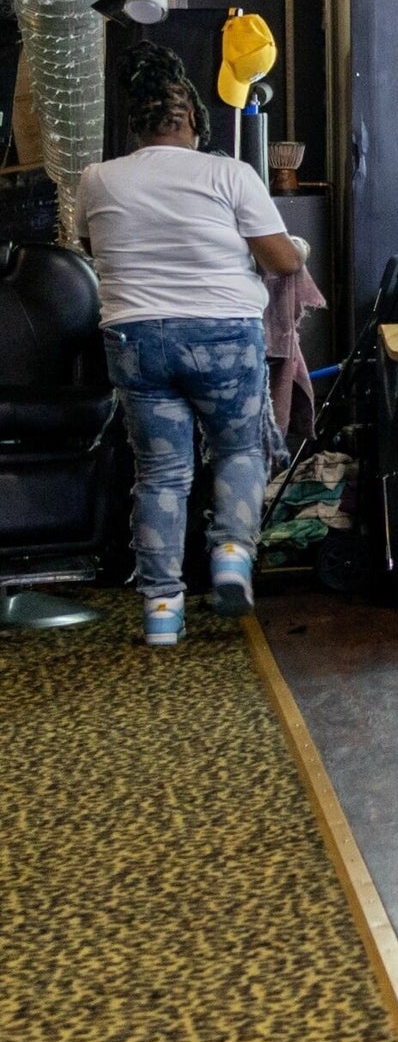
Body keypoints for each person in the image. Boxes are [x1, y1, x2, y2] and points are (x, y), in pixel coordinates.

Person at [75, 47, 301, 646]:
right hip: (222, 334)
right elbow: (281, 261)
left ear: (134, 125)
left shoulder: (98, 178)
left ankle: (161, 612)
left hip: (136, 340)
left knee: (160, 474)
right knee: (239, 450)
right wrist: (295, 248)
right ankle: (230, 556)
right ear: (194, 120)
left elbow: (92, 244)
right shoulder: (229, 174)